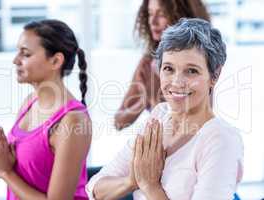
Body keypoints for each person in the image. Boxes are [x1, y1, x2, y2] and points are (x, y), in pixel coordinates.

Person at [87, 18, 244, 200]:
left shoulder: (221, 140)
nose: (177, 82)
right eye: (169, 68)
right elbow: (95, 188)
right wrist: (132, 180)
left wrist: (151, 186)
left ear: (215, 75)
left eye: (191, 71)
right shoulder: (160, 115)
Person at [0, 19, 92, 200]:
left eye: (25, 54)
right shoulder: (30, 102)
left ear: (56, 61)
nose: (15, 60)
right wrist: (3, 161)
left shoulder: (73, 120)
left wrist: (5, 172)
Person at [114, 0, 210, 130]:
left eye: (162, 14)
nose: (153, 21)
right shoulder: (148, 63)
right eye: (150, 13)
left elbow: (195, 124)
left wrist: (154, 99)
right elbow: (119, 122)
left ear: (181, 17)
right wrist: (144, 98)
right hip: (160, 144)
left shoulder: (199, 63)